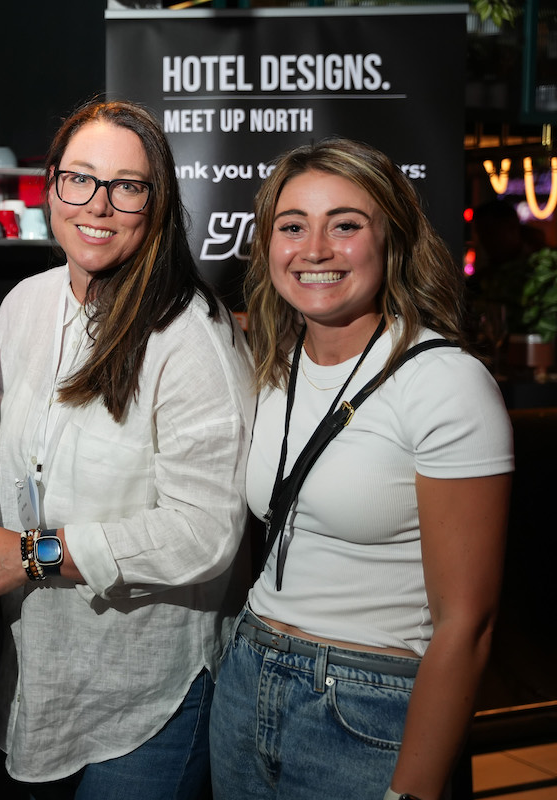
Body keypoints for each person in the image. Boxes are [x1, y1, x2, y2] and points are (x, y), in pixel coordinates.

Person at [0, 99, 255, 798]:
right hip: (29, 681)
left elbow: (206, 534)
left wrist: (30, 554)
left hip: (142, 699)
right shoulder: (23, 304)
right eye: (80, 178)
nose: (98, 206)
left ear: (157, 202)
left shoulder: (192, 338)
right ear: (51, 185)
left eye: (127, 186)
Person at [208, 137, 514, 800]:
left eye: (345, 225)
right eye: (293, 227)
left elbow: (468, 624)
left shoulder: (444, 384)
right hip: (246, 677)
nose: (314, 249)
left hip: (366, 707)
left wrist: (414, 791)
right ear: (267, 246)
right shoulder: (272, 365)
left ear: (393, 241)